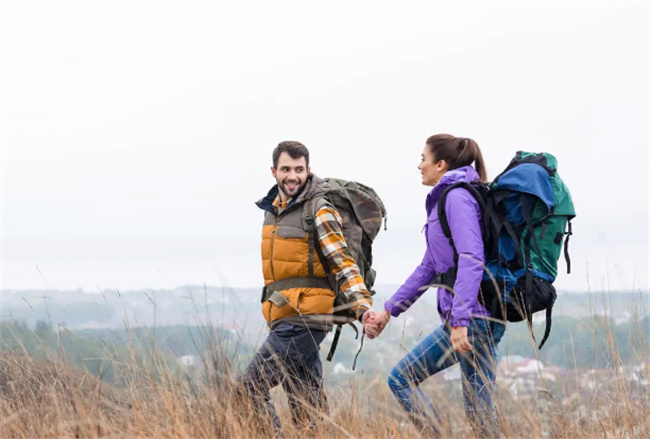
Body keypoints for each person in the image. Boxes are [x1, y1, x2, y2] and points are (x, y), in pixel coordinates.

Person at [365, 134, 505, 438]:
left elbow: (471, 258)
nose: (419, 166)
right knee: (480, 416)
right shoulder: (448, 198)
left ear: (441, 165)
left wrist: (460, 321)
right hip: (481, 317)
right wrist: (388, 312)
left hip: (473, 319)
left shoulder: (456, 197)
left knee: (401, 379)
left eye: (423, 159)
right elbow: (429, 267)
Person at [239, 140, 377, 433]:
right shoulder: (272, 211)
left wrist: (363, 306)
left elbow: (342, 261)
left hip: (305, 318)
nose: (293, 176)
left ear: (308, 170)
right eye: (286, 169)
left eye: (299, 170)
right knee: (307, 407)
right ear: (274, 171)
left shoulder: (319, 208)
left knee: (248, 390)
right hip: (285, 316)